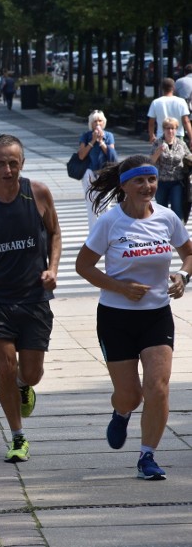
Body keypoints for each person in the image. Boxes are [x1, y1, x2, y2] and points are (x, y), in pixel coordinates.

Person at [75, 155, 192, 480]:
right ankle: (121, 410)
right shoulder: (110, 222)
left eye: (151, 180)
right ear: (125, 186)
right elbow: (82, 266)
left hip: (156, 316)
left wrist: (183, 276)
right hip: (116, 317)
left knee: (158, 387)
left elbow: (189, 254)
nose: (148, 187)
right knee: (131, 393)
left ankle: (147, 456)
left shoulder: (168, 218)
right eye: (139, 181)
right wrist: (119, 287)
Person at [0, 134, 61, 463]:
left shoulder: (38, 194)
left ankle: (23, 384)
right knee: (5, 365)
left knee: (31, 373)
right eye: (1, 163)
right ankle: (18, 436)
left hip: (33, 297)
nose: (8, 169)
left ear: (22, 164)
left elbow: (55, 233)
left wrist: (52, 268)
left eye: (13, 163)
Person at [77, 110, 117, 230]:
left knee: (106, 203)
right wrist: (92, 141)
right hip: (89, 172)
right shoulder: (86, 136)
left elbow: (112, 156)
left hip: (104, 172)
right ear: (91, 123)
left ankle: (108, 231)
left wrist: (101, 142)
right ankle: (93, 232)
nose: (98, 123)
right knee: (91, 204)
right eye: (95, 121)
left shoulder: (109, 136)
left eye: (100, 120)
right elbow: (81, 155)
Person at [150, 117, 192, 223]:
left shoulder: (181, 144)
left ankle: (179, 234)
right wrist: (158, 152)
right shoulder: (158, 143)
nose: (170, 131)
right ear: (163, 129)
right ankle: (163, 233)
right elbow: (150, 162)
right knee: (161, 210)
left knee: (177, 208)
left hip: (177, 181)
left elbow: (188, 157)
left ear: (176, 129)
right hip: (161, 181)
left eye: (173, 128)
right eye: (167, 128)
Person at [147, 78, 192, 145]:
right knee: (178, 154)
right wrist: (191, 137)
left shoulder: (156, 102)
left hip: (162, 136)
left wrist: (151, 135)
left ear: (162, 88)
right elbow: (186, 121)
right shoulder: (181, 101)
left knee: (163, 154)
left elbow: (151, 123)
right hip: (178, 135)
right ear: (173, 88)